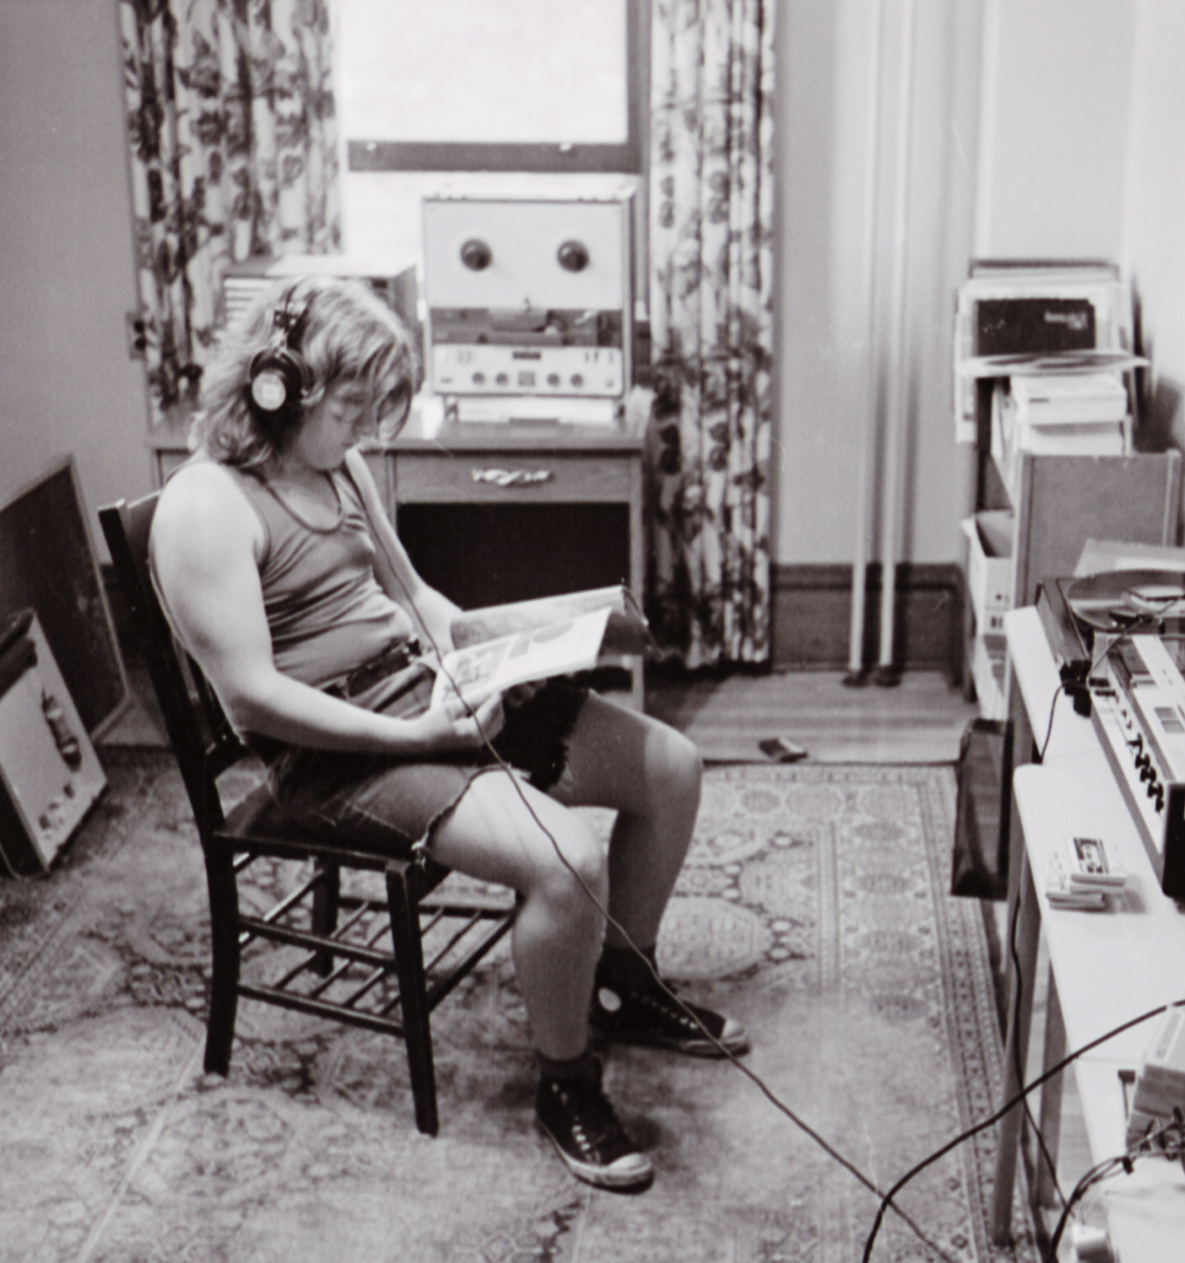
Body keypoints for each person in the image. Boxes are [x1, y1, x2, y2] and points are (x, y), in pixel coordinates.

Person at [149, 274, 746, 1192]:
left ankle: (623, 981)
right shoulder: (205, 508)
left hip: (420, 696)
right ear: (279, 386)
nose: (367, 430)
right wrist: (420, 736)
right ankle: (566, 1083)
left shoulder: (336, 466)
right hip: (336, 754)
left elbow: (415, 596)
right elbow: (253, 703)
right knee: (567, 862)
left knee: (671, 765)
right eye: (353, 407)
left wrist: (496, 656)